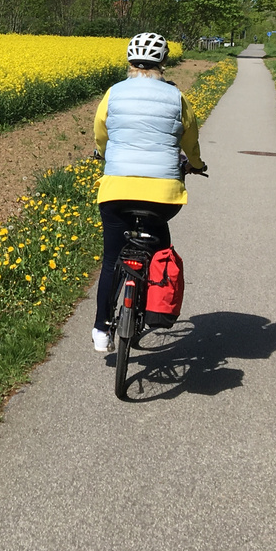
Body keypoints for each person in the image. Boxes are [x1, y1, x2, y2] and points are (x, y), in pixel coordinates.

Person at [90, 32, 206, 353]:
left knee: (112, 257)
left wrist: (102, 153)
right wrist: (195, 164)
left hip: (116, 192)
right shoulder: (176, 97)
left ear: (129, 62)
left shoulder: (113, 94)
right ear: (164, 63)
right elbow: (190, 140)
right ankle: (158, 307)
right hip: (163, 197)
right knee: (160, 247)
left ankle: (101, 329)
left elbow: (102, 133)